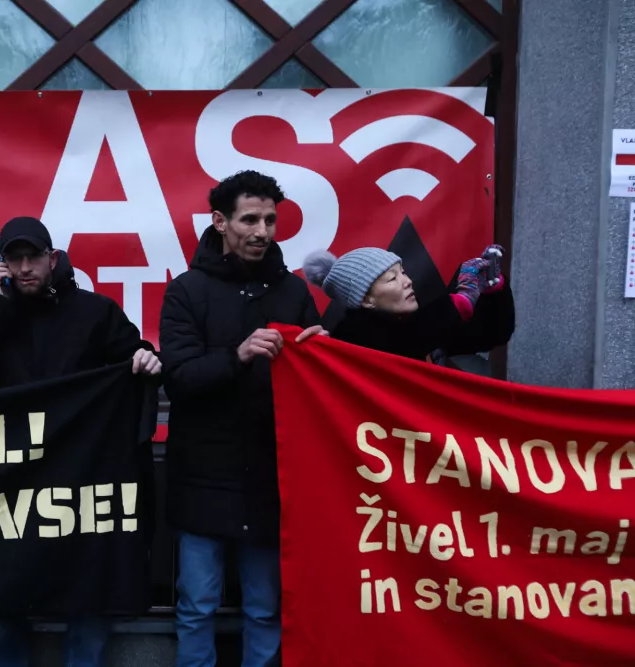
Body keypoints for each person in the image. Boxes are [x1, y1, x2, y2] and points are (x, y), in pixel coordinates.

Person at [0, 215, 161, 667]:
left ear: (52, 258)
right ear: (1, 265)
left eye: (32, 257)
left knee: (88, 589)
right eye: (13, 259)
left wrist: (148, 358)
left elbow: (137, 356)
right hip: (16, 479)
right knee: (3, 587)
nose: (24, 268)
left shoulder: (95, 311)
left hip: (82, 477)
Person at [158, 170, 324, 667]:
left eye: (271, 220)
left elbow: (316, 379)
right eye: (250, 219)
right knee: (196, 606)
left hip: (271, 477)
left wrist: (323, 357)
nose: (263, 231)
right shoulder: (186, 290)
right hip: (203, 475)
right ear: (219, 222)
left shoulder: (293, 292)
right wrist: (239, 354)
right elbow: (180, 377)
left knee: (266, 607)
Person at [301, 244, 514, 359]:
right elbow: (407, 340)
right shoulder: (354, 341)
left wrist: (492, 291)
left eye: (403, 273)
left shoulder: (413, 321)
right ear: (366, 299)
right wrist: (462, 299)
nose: (407, 282)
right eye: (393, 278)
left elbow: (491, 335)